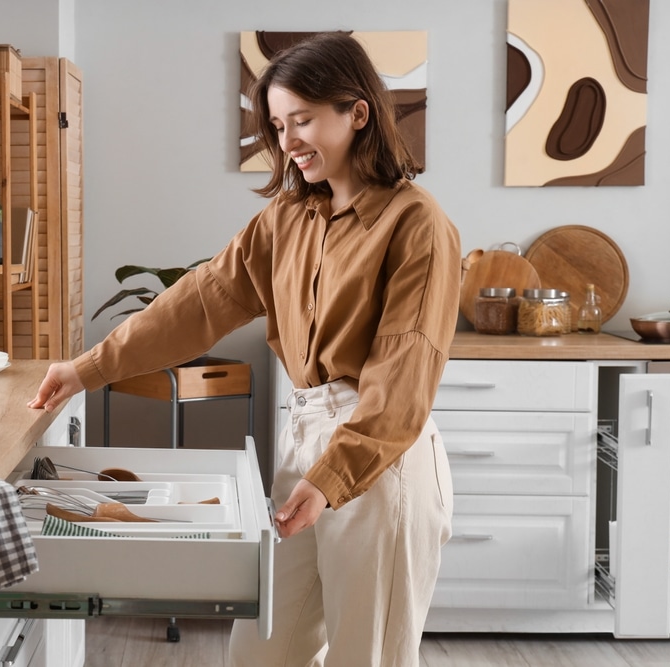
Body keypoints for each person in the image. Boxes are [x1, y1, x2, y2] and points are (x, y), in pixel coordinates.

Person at [29, 31, 460, 667]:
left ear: (357, 113)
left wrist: (331, 478)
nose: (288, 143)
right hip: (305, 435)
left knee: (365, 657)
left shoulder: (416, 224)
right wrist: (87, 368)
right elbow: (198, 303)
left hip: (379, 463)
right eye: (280, 125)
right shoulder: (285, 220)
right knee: (261, 650)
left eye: (304, 120)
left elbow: (401, 380)